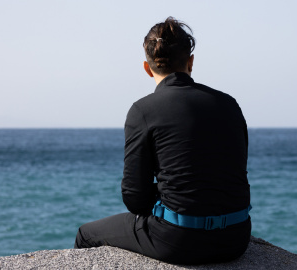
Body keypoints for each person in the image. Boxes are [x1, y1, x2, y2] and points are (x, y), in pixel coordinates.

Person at [74, 17, 251, 265]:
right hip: (236, 238)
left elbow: (134, 199)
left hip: (178, 241)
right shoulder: (229, 104)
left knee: (86, 234)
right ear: (190, 62)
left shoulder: (143, 110)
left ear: (147, 68)